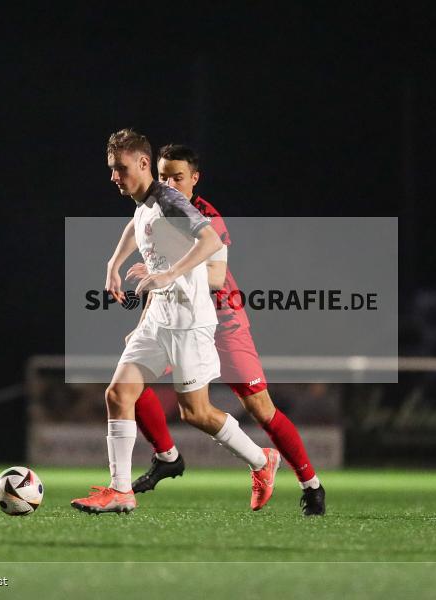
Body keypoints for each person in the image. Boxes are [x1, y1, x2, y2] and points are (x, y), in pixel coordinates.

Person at [71, 129, 280, 514]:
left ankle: (261, 460)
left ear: (144, 163)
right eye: (112, 169)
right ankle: (120, 492)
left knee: (195, 412)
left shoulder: (169, 199)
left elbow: (210, 242)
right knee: (118, 395)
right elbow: (137, 224)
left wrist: (168, 275)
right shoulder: (145, 200)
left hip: (189, 320)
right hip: (158, 318)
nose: (114, 177)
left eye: (121, 168)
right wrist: (113, 263)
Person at [124, 144, 325, 516]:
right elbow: (157, 270)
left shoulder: (205, 217)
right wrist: (142, 323)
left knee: (261, 409)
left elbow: (215, 277)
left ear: (194, 180)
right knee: (126, 384)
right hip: (179, 320)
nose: (168, 183)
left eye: (177, 177)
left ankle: (311, 485)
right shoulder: (157, 211)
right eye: (164, 175)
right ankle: (166, 455)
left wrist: (166, 275)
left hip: (223, 323)